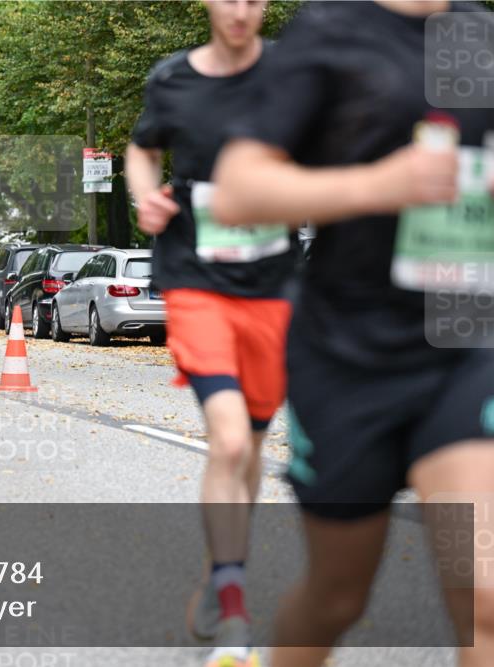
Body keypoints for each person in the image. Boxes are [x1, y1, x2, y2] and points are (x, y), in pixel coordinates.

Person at [211, 2, 494, 666]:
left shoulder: (478, 35)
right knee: (339, 597)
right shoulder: (328, 32)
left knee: (482, 591)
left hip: (462, 349)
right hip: (347, 356)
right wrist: (378, 184)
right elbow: (237, 190)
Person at [125, 2, 299, 664]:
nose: (241, 10)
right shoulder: (172, 79)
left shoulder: (293, 71)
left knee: (249, 448)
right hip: (195, 278)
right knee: (227, 439)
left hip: (274, 288)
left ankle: (220, 567)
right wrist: (147, 195)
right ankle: (233, 611)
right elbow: (143, 151)